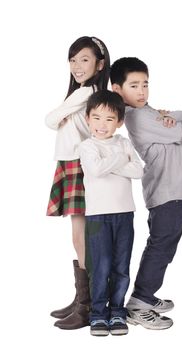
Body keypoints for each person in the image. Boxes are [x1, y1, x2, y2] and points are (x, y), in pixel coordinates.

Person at [110, 57, 182, 330]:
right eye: (134, 85)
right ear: (118, 90)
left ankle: (146, 294)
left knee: (165, 244)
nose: (141, 91)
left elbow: (179, 120)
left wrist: (171, 118)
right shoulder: (137, 116)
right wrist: (173, 120)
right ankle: (140, 303)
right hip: (167, 189)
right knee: (162, 245)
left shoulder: (148, 111)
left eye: (145, 84)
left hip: (174, 188)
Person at [45, 36, 110, 330]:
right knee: (80, 238)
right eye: (72, 60)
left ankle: (89, 305)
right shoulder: (85, 93)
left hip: (79, 166)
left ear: (100, 64)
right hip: (70, 165)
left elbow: (50, 119)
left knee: (83, 238)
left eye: (84, 59)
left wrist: (61, 115)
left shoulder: (87, 93)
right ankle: (81, 300)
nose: (76, 66)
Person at [79, 90, 143, 336]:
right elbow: (95, 171)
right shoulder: (86, 146)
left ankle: (117, 312)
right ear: (88, 119)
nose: (102, 124)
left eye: (109, 119)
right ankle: (98, 315)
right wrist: (119, 161)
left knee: (121, 266)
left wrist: (112, 162)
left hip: (125, 213)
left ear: (119, 121)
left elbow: (138, 171)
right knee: (101, 267)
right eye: (96, 118)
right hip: (97, 216)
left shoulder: (123, 142)